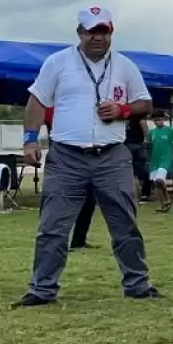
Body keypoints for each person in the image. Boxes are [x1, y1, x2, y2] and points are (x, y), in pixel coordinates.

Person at [15, 6, 160, 307]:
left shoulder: (125, 66)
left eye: (103, 31)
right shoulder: (58, 63)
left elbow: (145, 103)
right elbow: (36, 101)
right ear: (80, 32)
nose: (97, 37)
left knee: (125, 223)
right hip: (66, 157)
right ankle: (42, 289)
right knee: (53, 226)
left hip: (112, 156)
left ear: (111, 33)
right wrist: (30, 141)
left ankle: (138, 285)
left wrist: (123, 111)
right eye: (91, 31)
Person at [43, 106, 98, 250]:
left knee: (89, 201)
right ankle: (57, 241)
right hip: (64, 161)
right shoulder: (55, 108)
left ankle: (79, 240)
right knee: (62, 203)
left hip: (85, 159)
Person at [148, 111, 173, 212]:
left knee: (160, 179)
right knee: (156, 184)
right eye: (155, 120)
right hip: (154, 160)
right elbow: (149, 145)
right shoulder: (152, 132)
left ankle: (167, 198)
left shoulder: (170, 131)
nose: (157, 122)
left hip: (166, 158)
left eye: (159, 120)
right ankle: (162, 204)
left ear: (163, 120)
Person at [125, 116, 151, 203]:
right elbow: (144, 126)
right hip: (138, 145)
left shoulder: (123, 115)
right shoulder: (139, 115)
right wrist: (149, 141)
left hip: (126, 146)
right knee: (143, 170)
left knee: (130, 172)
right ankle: (145, 194)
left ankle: (133, 195)